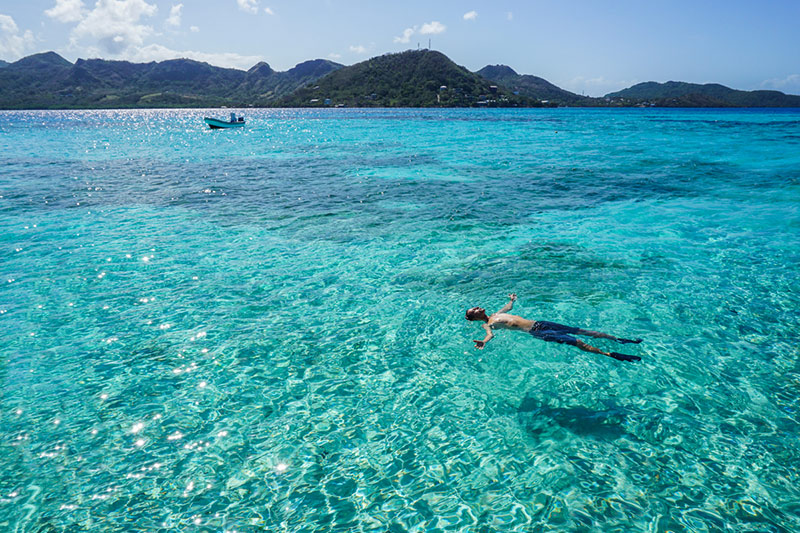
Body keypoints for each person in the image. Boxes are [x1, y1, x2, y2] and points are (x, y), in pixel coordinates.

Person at [465, 294, 642, 362]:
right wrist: (484, 342)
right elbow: (490, 334)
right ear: (475, 317)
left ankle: (618, 339)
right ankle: (610, 354)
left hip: (541, 323)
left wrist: (512, 300)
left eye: (477, 306)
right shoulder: (488, 324)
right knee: (577, 341)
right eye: (475, 309)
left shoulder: (496, 313)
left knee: (582, 331)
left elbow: (508, 308)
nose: (478, 307)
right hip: (538, 332)